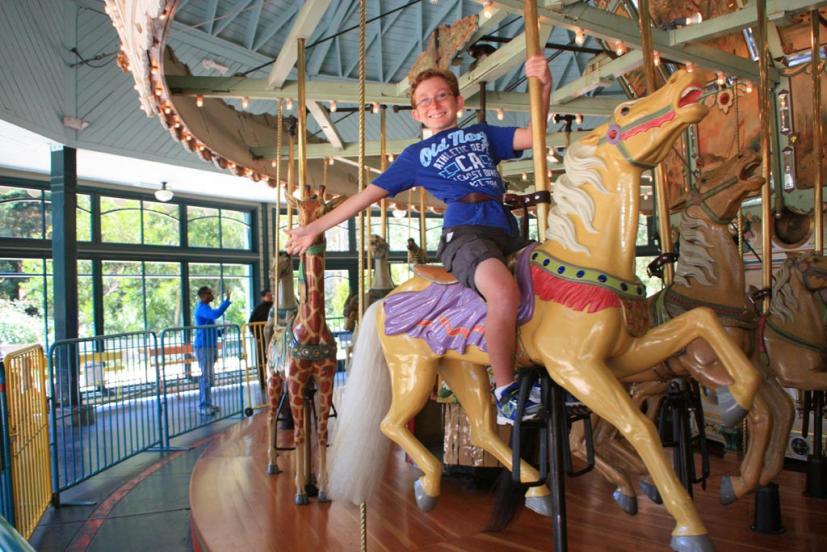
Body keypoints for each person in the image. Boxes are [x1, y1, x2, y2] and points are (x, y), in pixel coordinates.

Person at [286, 55, 552, 424]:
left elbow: (535, 134)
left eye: (442, 96)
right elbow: (367, 195)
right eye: (424, 101)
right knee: (504, 293)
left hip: (506, 227)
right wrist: (316, 227)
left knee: (555, 285)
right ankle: (506, 393)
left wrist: (544, 87)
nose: (434, 105)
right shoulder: (416, 156)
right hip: (465, 233)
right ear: (416, 114)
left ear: (459, 103)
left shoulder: (481, 134)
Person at [193, 286, 231, 416]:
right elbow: (216, 314)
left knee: (209, 376)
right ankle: (203, 405)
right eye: (210, 293)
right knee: (206, 377)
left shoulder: (206, 308)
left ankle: (208, 403)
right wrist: (227, 301)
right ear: (203, 296)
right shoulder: (202, 309)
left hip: (210, 346)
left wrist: (222, 330)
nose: (212, 295)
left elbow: (211, 329)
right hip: (204, 347)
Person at [248, 288, 274, 392]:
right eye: (268, 295)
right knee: (262, 358)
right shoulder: (258, 309)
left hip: (274, 337)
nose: (270, 297)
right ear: (263, 297)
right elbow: (251, 324)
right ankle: (262, 381)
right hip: (262, 338)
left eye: (271, 295)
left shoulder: (275, 307)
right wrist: (257, 337)